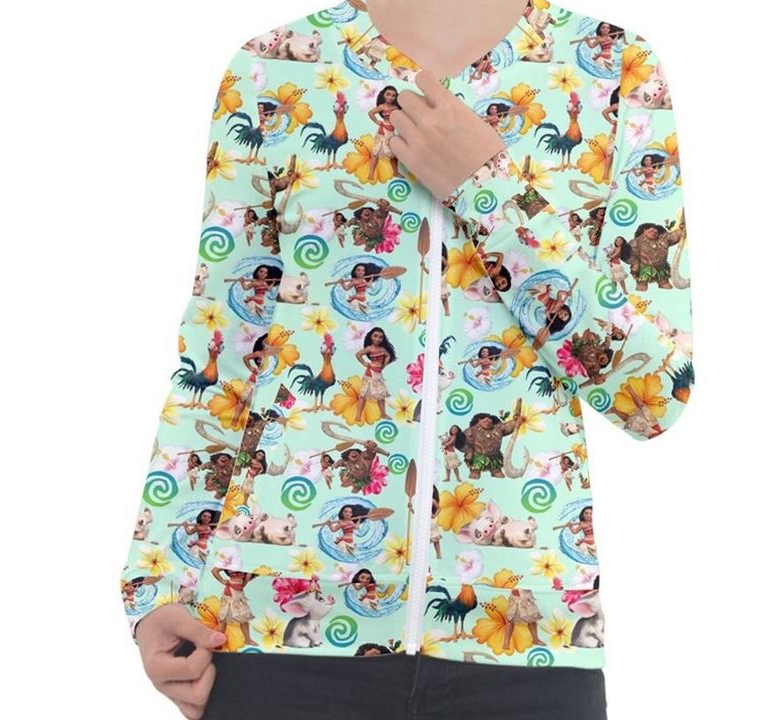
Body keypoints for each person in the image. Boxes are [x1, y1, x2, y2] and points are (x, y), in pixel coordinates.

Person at [123, 2, 693, 719]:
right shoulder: (278, 64)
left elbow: (654, 394)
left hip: (526, 634)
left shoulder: (611, 66)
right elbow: (223, 351)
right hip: (275, 628)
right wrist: (157, 586)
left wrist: (484, 187)